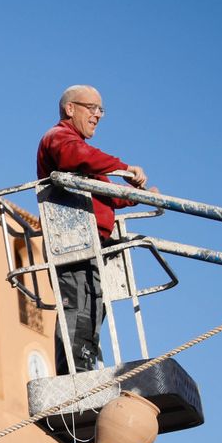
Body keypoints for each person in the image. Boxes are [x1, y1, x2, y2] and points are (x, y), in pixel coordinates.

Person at [36, 85, 149, 375]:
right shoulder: (59, 138)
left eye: (101, 110)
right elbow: (77, 156)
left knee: (94, 306)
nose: (98, 115)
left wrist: (141, 196)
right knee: (77, 305)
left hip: (90, 241)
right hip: (71, 240)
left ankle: (84, 365)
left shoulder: (84, 158)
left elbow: (107, 193)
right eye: (92, 108)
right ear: (70, 108)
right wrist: (124, 167)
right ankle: (74, 374)